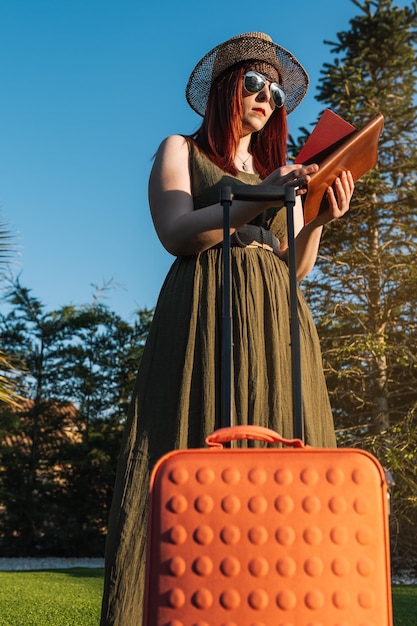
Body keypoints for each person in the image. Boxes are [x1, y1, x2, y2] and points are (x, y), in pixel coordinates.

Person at [100, 32, 354, 625]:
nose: (267, 96)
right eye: (254, 83)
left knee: (283, 459)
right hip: (205, 315)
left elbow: (295, 263)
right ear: (224, 90)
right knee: (191, 442)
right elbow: (176, 232)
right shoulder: (180, 148)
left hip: (279, 326)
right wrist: (258, 197)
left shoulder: (276, 170)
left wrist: (315, 214)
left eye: (275, 90)